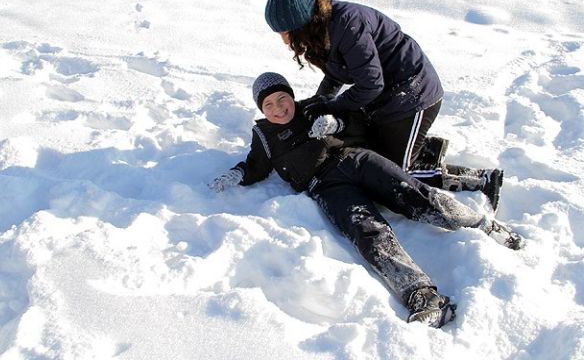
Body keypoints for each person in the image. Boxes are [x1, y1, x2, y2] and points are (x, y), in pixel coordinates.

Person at [208, 72, 524, 328]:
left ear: (291, 96)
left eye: (282, 99)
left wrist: (336, 123)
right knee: (369, 234)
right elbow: (256, 165)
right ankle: (421, 295)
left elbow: (357, 122)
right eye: (269, 105)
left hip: (355, 159)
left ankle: (481, 224)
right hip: (326, 188)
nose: (278, 108)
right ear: (262, 110)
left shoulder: (312, 107)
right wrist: (237, 174)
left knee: (415, 196)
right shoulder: (264, 135)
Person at [262, 0, 504, 211]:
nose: (284, 40)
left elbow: (370, 84)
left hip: (413, 94)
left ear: (301, 23)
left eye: (285, 33)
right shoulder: (320, 30)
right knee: (380, 157)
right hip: (388, 99)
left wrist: (333, 106)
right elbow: (337, 72)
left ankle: (482, 180)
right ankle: (420, 147)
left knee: (397, 174)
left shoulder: (347, 25)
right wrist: (320, 100)